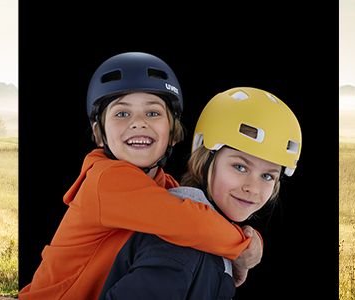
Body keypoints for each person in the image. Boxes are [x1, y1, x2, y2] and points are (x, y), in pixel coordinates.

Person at [19, 53, 261, 300]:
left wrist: (243, 244)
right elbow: (191, 223)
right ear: (99, 134)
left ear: (174, 133)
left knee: (197, 219)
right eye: (122, 114)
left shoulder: (164, 187)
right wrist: (241, 247)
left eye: (153, 113)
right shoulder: (106, 179)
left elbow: (201, 223)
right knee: (193, 228)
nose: (138, 123)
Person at [98, 87, 301, 299]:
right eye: (240, 167)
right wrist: (239, 246)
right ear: (204, 159)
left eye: (268, 176)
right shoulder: (181, 243)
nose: (253, 188)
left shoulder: (206, 230)